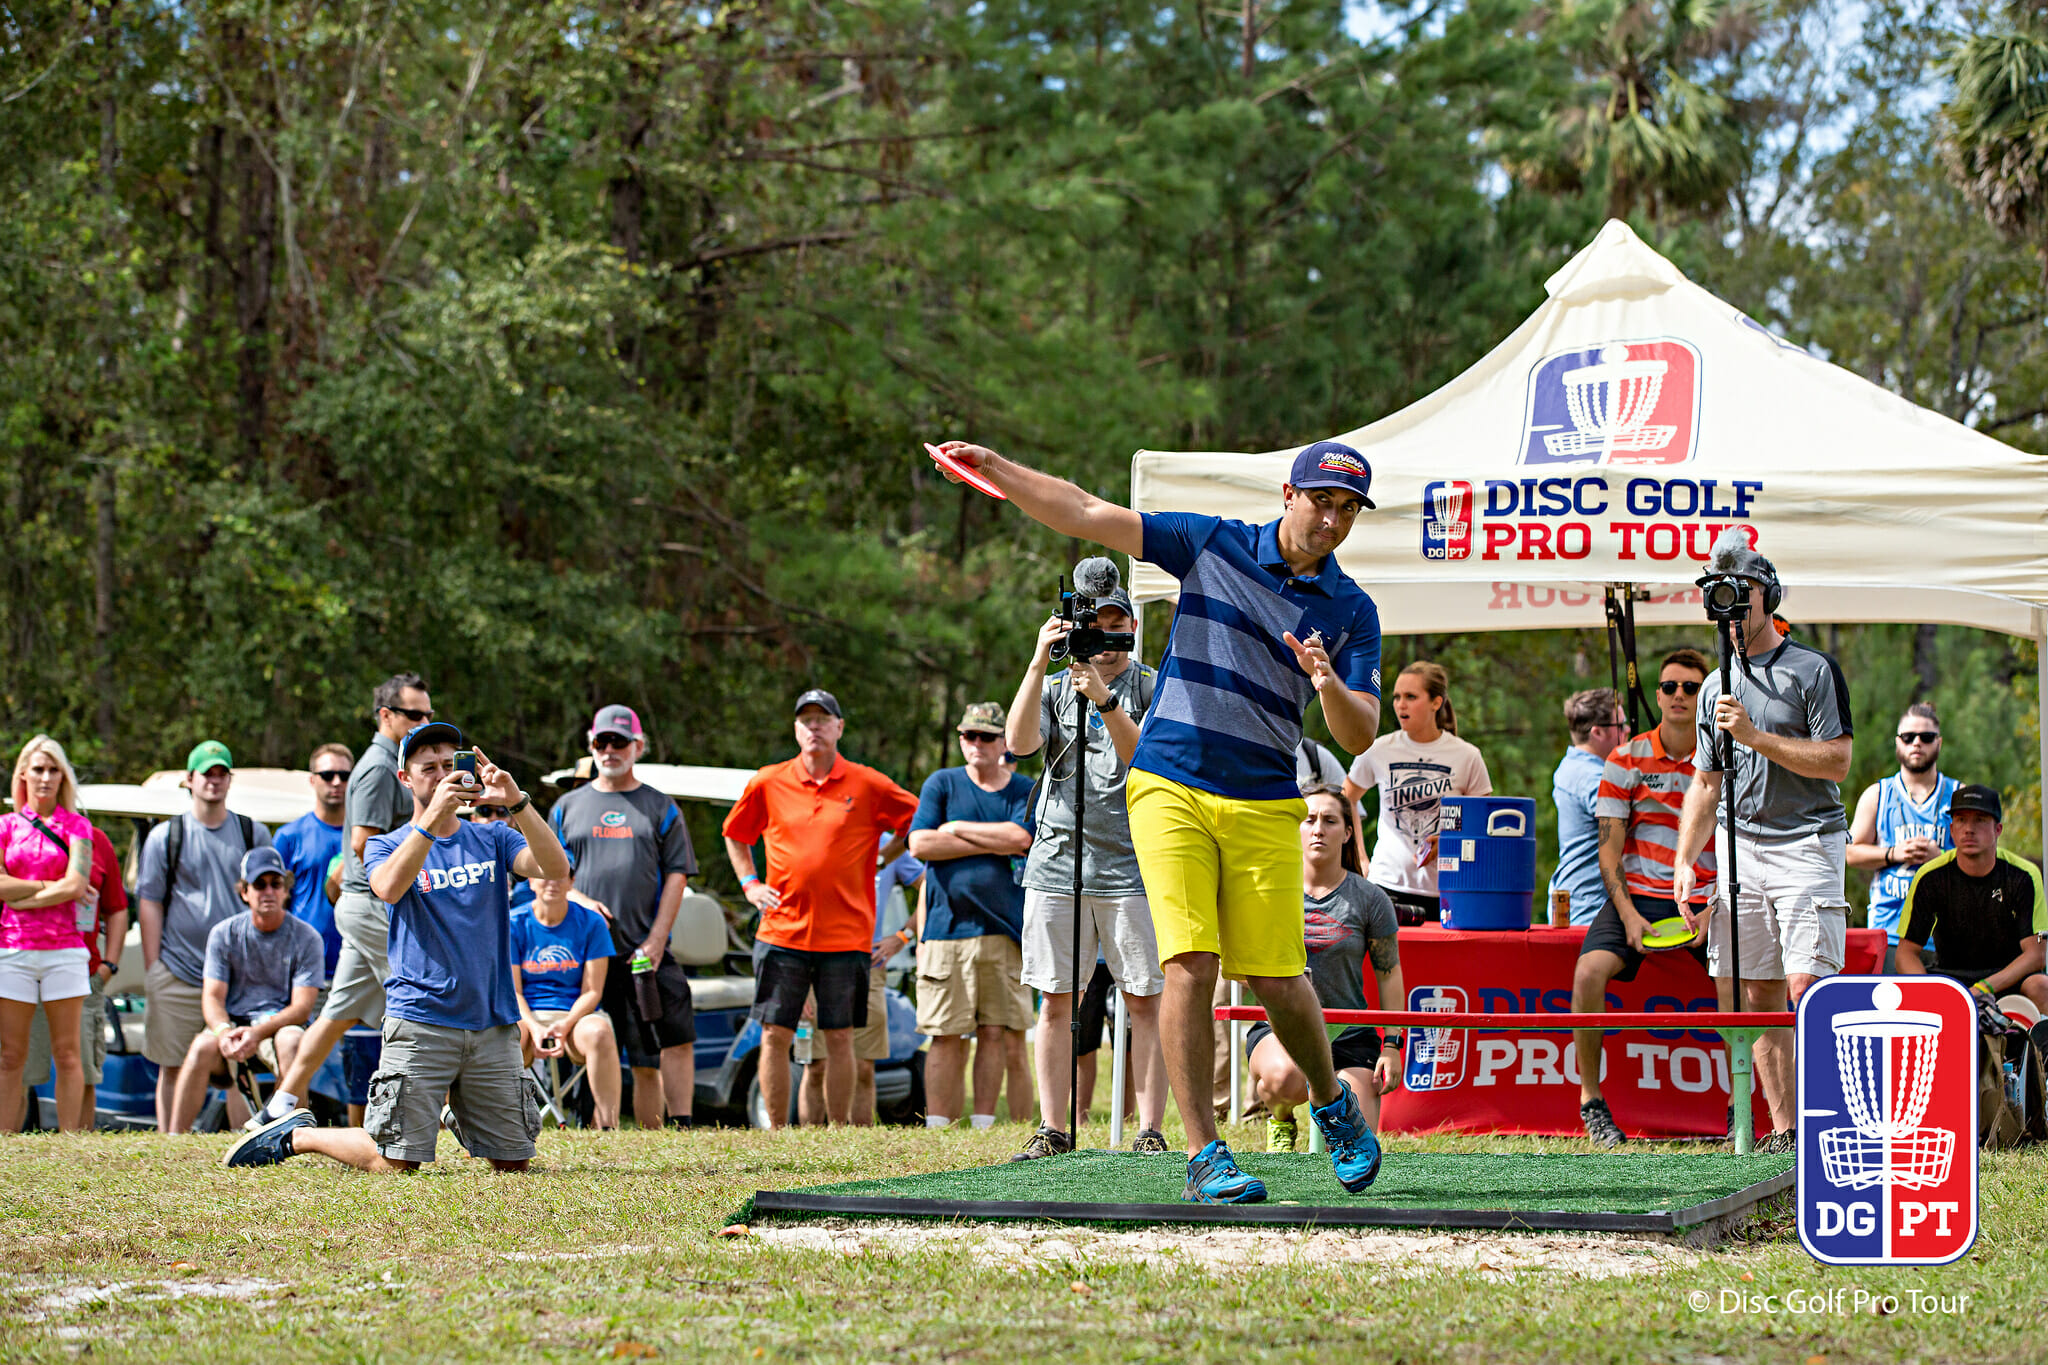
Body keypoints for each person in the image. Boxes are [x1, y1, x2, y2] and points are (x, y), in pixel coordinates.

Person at [927, 436, 1386, 1204]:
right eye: (1321, 501)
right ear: (1288, 494)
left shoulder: (1351, 609)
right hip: (1167, 780)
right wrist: (998, 470)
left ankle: (1333, 1104)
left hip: (1266, 796)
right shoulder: (1214, 544)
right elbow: (1082, 511)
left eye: (1346, 509)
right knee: (1190, 964)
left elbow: (1360, 730)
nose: (1331, 520)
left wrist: (1328, 680)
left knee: (1278, 975)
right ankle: (1205, 1151)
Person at [226, 723, 572, 1171]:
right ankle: (298, 1134)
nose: (443, 775)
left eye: (451, 765)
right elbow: (388, 887)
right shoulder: (384, 844)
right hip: (421, 1020)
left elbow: (555, 865)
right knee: (396, 1165)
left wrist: (517, 802)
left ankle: (463, 1113)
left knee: (512, 1166)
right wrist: (433, 818)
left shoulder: (493, 837)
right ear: (405, 779)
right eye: (428, 768)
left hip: (491, 1021)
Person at [1672, 534, 1853, 1154]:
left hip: (1807, 842)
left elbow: (1836, 761)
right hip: (1737, 844)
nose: (1727, 607)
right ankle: (1785, 1133)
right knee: (1757, 993)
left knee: (1809, 989)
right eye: (1715, 595)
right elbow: (1704, 780)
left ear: (1767, 597)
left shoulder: (1812, 670)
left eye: (1739, 593)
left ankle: (1836, 1122)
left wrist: (1754, 734)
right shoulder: (1711, 685)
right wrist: (1683, 858)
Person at [1003, 583, 1169, 1159]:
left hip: (1134, 863)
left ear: (1130, 625)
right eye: (1095, 623)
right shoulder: (1054, 687)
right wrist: (1037, 659)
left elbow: (1143, 757)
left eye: (1116, 621)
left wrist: (1104, 698)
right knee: (1055, 997)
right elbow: (1019, 743)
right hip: (1057, 863)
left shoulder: (1150, 683)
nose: (1106, 636)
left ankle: (1151, 1130)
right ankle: (1053, 1128)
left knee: (1145, 998)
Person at [721, 689, 920, 1128]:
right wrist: (750, 884)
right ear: (795, 729)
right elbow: (735, 833)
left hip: (847, 935)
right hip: (781, 933)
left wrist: (887, 856)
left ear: (839, 728)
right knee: (775, 1034)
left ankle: (839, 1131)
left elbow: (918, 819)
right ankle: (775, 1131)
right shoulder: (769, 781)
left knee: (841, 1036)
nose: (814, 727)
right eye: (805, 720)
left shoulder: (867, 783)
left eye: (822, 719)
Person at [253, 674, 429, 1127]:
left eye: (429, 714)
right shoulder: (376, 767)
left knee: (336, 1015)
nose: (424, 722)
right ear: (387, 716)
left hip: (360, 905)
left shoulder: (393, 761)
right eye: (415, 715)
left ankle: (279, 1104)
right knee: (419, 998)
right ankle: (442, 1108)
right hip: (370, 904)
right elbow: (363, 844)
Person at [1572, 649, 1715, 1146]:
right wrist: (1630, 918)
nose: (1679, 695)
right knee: (1589, 971)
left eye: (1691, 688)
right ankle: (1592, 1103)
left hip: (1706, 900)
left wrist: (1712, 911)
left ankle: (1747, 1110)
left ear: (1707, 697)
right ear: (1657, 695)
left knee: (1746, 987)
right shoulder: (1625, 757)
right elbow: (1608, 852)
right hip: (1637, 897)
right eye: (1670, 687)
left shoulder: (1727, 759)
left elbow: (1743, 841)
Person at [547, 704, 699, 1129]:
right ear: (590, 745)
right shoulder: (565, 807)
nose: (610, 749)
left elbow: (677, 876)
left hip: (642, 952)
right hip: (583, 956)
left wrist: (655, 940)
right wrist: (577, 898)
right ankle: (595, 1131)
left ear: (639, 746)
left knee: (653, 1051)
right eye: (602, 741)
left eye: (620, 741)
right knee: (592, 1046)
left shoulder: (660, 807)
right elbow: (547, 871)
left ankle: (673, 1128)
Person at [1250, 785, 1403, 1151]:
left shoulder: (1370, 898)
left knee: (1358, 1136)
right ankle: (1281, 1119)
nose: (1318, 828)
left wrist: (1393, 1045)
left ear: (1347, 832)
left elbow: (1390, 974)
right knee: (1285, 1078)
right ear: (1297, 828)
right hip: (1281, 1027)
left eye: (1330, 820)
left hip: (1350, 1036)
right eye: (1309, 819)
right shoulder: (1268, 890)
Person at [908, 702, 1037, 1130]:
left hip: (1005, 932)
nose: (976, 744)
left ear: (1004, 742)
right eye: (969, 736)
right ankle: (939, 1125)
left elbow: (1021, 836)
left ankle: (983, 1124)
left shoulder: (1022, 789)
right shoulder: (941, 783)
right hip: (945, 932)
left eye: (986, 736)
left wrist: (955, 829)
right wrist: (991, 842)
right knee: (944, 1034)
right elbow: (920, 845)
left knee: (995, 1032)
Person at [137, 740, 273, 1130]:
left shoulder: (253, 832)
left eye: (221, 773)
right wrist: (154, 967)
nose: (214, 781)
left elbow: (270, 898)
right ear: (189, 780)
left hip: (238, 975)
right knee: (173, 1064)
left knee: (239, 1067)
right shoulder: (167, 836)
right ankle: (169, 1142)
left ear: (230, 780)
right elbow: (149, 902)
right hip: (177, 971)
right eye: (206, 773)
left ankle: (245, 1144)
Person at [166, 848, 325, 1133]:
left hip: (281, 1024)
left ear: (286, 891)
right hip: (235, 1023)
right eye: (259, 884)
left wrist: (258, 1032)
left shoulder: (307, 937)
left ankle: (294, 1136)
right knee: (202, 1045)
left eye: (275, 884)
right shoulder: (224, 933)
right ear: (244, 892)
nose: (268, 892)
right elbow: (212, 997)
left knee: (292, 1042)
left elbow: (302, 1007)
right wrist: (224, 1032)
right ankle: (173, 1139)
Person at [1344, 661, 1491, 925]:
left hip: (1448, 889)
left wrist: (1448, 841)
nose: (1401, 705)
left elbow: (1483, 825)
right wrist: (1360, 858)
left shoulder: (1467, 755)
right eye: (1397, 697)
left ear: (1436, 702)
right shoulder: (1378, 749)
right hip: (1386, 885)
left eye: (1411, 697)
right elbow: (1346, 799)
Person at [0, 736, 96, 1132]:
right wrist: (46, 887)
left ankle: (69, 1139)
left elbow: (76, 885)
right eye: (38, 768)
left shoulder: (78, 826)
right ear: (23, 773)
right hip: (12, 948)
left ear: (63, 777)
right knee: (10, 1055)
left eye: (53, 769)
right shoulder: (5, 826)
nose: (45, 777)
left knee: (68, 1053)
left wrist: (22, 889)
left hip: (64, 951)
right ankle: (4, 1137)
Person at [1897, 785, 2048, 1010]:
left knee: (2041, 985)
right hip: (1950, 979)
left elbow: (2036, 955)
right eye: (1961, 819)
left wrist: (1982, 988)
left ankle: (2036, 1046)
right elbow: (1905, 954)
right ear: (1951, 829)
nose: (1969, 829)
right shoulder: (1929, 876)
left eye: (1979, 820)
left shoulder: (2024, 875)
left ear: (1998, 829)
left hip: (2007, 980)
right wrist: (1930, 992)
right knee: (1899, 990)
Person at [25, 817, 128, 1126]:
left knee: (79, 1068)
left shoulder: (96, 839)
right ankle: (11, 1149)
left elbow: (117, 907)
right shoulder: (15, 833)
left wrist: (109, 966)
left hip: (83, 973)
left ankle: (75, 1150)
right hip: (25, 967)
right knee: (15, 1067)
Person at [1847, 703, 1959, 973]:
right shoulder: (1878, 794)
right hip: (1889, 931)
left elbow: (1982, 863)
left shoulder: (1958, 795)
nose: (1917, 743)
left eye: (1926, 737)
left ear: (1939, 743)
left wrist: (1940, 859)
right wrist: (1894, 854)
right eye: (1908, 737)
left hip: (1946, 936)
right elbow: (1850, 853)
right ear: (1897, 742)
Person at [511, 871, 622, 1129]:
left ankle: (608, 1126)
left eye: (560, 875)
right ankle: (504, 1129)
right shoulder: (514, 922)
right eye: (544, 875)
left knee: (600, 1032)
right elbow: (512, 992)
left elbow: (593, 991)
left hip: (575, 1014)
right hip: (526, 1015)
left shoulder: (591, 923)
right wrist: (536, 1028)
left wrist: (566, 1024)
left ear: (572, 882)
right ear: (530, 882)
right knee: (506, 1035)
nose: (552, 882)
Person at [848, 834, 922, 1126]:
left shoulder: (887, 843)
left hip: (870, 965)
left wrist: (902, 936)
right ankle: (815, 1139)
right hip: (819, 960)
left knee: (865, 1065)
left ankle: (857, 1138)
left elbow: (929, 885)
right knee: (818, 1064)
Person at [272, 744, 353, 983]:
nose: (336, 782)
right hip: (304, 971)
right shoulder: (289, 837)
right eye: (328, 775)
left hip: (358, 970)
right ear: (312, 780)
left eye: (345, 775)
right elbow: (274, 901)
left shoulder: (368, 836)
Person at [1548, 688, 1628, 926]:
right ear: (1598, 732)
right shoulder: (1590, 776)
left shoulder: (1574, 766)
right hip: (1589, 906)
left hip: (1582, 900)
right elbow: (1629, 816)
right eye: (1621, 725)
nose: (1628, 730)